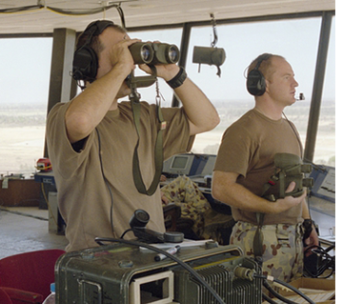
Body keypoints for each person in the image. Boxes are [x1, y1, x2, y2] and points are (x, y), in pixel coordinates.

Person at [46, 20, 219, 252]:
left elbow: (207, 120)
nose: (129, 63)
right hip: (98, 262)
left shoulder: (143, 116)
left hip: (150, 256)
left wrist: (172, 73)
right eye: (119, 52)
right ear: (88, 62)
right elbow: (81, 121)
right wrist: (120, 68)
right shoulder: (62, 115)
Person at [212, 54, 319, 282]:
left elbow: (296, 185)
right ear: (263, 84)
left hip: (292, 238)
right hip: (260, 238)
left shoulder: (289, 127)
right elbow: (221, 188)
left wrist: (307, 224)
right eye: (287, 77)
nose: (295, 84)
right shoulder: (244, 130)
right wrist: (270, 208)